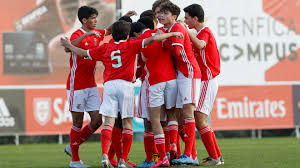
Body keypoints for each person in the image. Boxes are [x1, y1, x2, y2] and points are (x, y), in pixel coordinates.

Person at [61, 20, 183, 168]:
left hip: (110, 86)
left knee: (108, 122)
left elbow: (82, 53)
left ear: (114, 34)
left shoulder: (105, 47)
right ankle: (123, 160)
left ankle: (105, 155)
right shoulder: (131, 45)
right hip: (125, 86)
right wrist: (172, 33)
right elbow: (152, 39)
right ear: (127, 35)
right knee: (127, 124)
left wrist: (69, 46)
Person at [63, 6, 108, 168]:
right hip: (77, 86)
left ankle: (71, 147)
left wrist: (125, 18)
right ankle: (74, 160)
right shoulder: (77, 34)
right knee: (77, 122)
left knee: (97, 121)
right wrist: (86, 35)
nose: (96, 21)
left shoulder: (97, 34)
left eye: (96, 18)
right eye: (93, 18)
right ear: (84, 20)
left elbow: (109, 30)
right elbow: (68, 47)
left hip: (91, 86)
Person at [157, 1, 202, 165]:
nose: (161, 15)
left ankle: (190, 154)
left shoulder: (176, 28)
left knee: (187, 113)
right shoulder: (166, 30)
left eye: (165, 13)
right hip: (177, 76)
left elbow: (175, 51)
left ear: (174, 17)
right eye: (160, 13)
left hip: (189, 73)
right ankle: (175, 150)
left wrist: (163, 42)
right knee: (176, 114)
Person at [133, 14, 178, 167]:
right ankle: (173, 146)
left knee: (154, 121)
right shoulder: (163, 32)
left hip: (154, 81)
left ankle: (158, 159)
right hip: (172, 79)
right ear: (153, 23)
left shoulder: (142, 39)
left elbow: (137, 66)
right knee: (170, 116)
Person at [183, 4, 223, 166]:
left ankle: (215, 157)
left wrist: (187, 32)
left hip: (208, 79)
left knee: (200, 119)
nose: (185, 21)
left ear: (195, 18)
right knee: (199, 119)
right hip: (203, 81)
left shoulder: (204, 32)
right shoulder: (198, 33)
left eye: (187, 17)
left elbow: (201, 45)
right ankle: (217, 157)